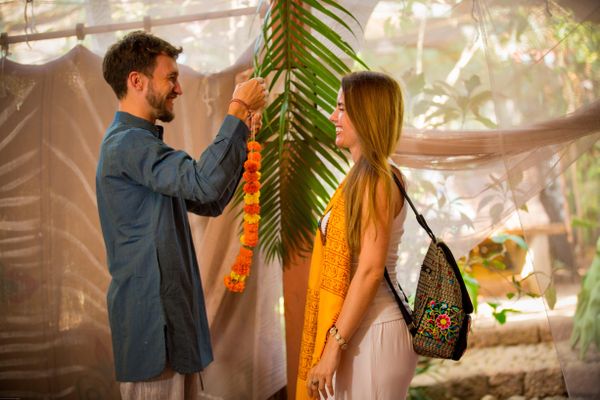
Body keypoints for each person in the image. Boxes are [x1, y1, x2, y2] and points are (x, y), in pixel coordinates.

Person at [95, 31, 266, 399]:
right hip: (152, 335)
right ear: (137, 81)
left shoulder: (143, 144)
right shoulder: (128, 144)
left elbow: (209, 201)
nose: (179, 88)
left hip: (174, 328)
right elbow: (205, 185)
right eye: (171, 77)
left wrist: (243, 133)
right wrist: (235, 110)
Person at [296, 71, 418, 399]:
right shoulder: (360, 177)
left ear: (366, 115)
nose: (332, 116)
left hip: (374, 331)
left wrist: (333, 348)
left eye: (341, 109)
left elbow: (369, 270)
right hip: (359, 330)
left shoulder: (376, 179)